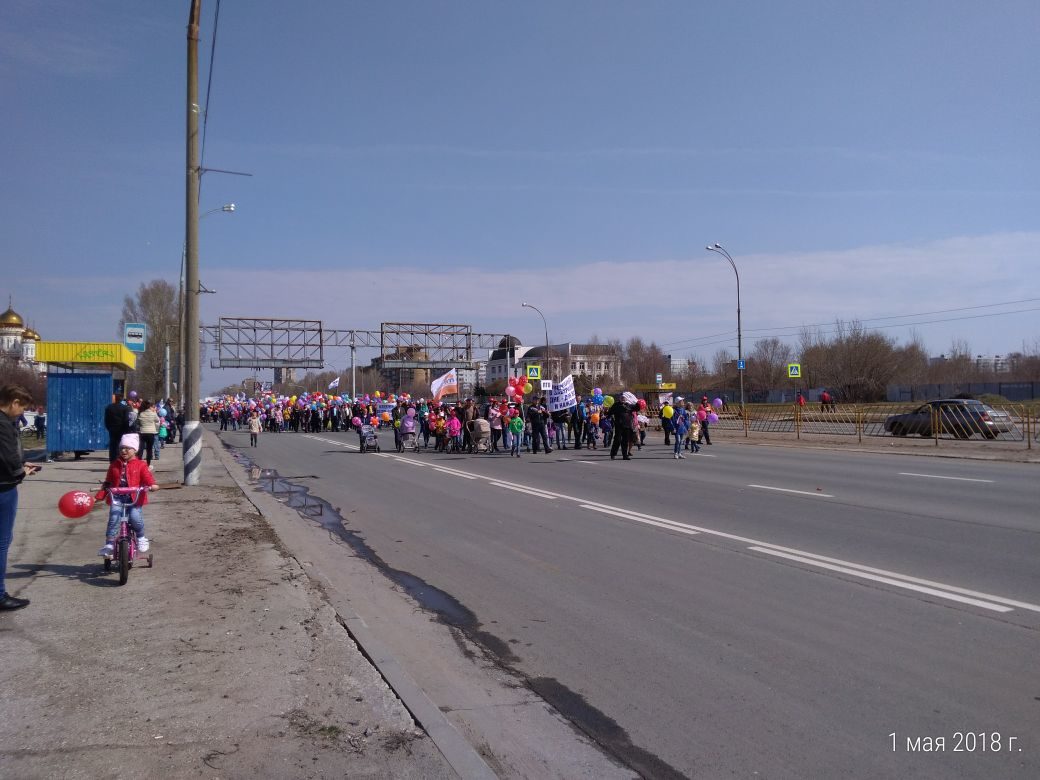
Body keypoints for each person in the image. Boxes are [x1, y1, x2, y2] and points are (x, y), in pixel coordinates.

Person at [0, 385, 42, 611]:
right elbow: (7, 456)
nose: (22, 412)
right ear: (14, 402)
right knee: (2, 542)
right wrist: (21, 471)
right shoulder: (3, 424)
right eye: (22, 407)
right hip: (3, 487)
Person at [98, 433, 157, 557]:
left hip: (134, 497)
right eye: (121, 448)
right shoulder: (114, 465)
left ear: (135, 450)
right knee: (114, 518)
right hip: (117, 497)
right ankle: (109, 544)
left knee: (135, 517)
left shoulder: (140, 464)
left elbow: (147, 477)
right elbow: (107, 482)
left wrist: (152, 485)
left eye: (127, 448)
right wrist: (98, 496)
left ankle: (141, 537)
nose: (123, 451)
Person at [103, 393, 131, 464]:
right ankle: (121, 460)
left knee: (113, 445)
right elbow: (126, 420)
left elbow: (106, 419)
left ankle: (112, 461)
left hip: (112, 429)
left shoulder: (109, 407)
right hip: (122, 429)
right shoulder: (125, 408)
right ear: (121, 399)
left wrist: (108, 427)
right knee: (122, 445)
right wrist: (127, 429)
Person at [135, 401, 160, 467]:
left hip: (142, 432)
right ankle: (148, 463)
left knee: (141, 448)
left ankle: (138, 462)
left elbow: (138, 422)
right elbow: (157, 420)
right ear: (149, 406)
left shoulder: (141, 413)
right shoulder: (153, 413)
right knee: (149, 449)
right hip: (151, 433)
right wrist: (155, 413)